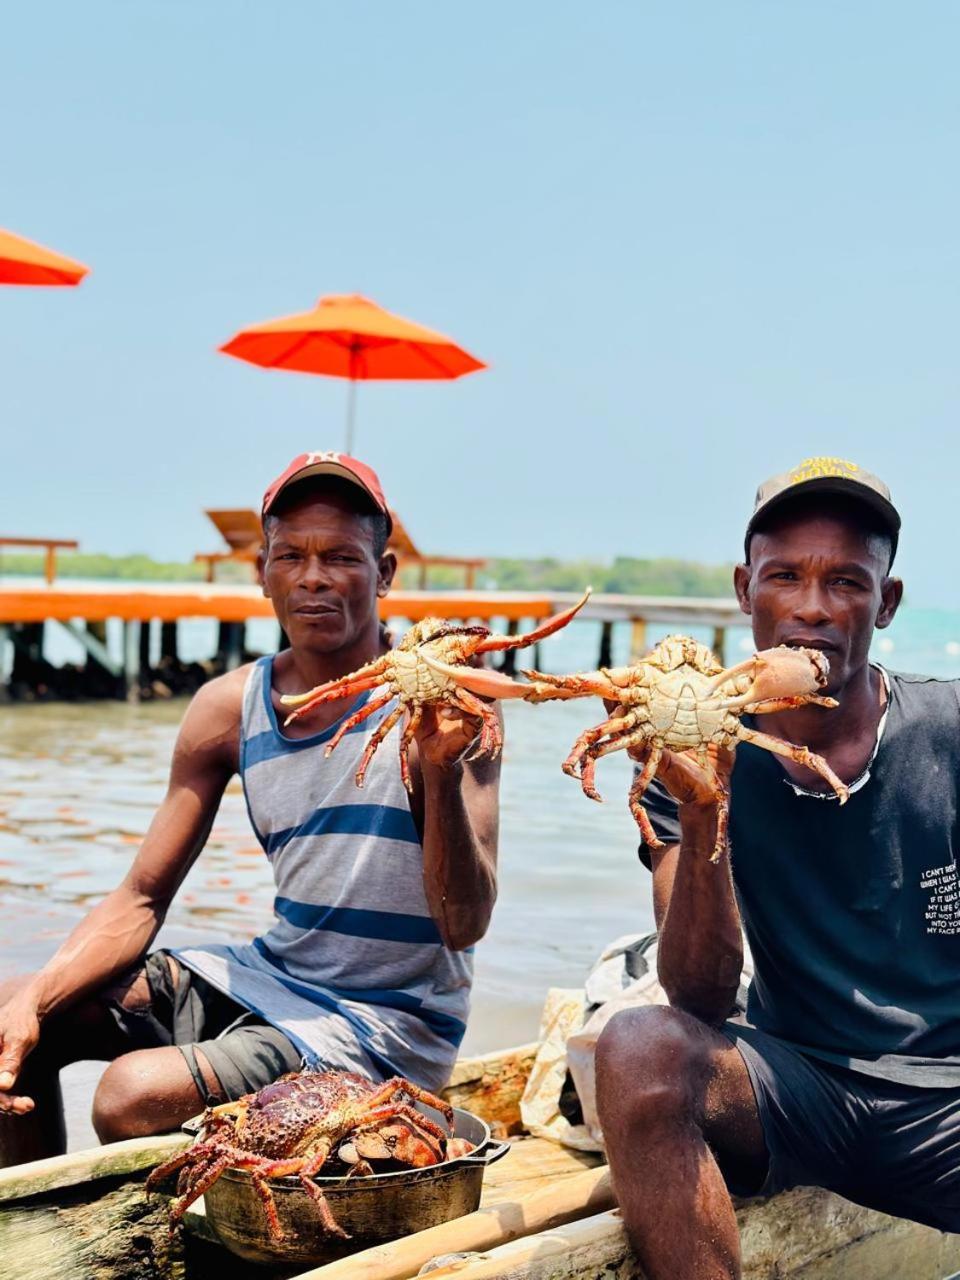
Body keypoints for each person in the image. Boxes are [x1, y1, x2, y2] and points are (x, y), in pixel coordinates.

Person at [0, 452, 500, 1164]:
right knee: (12, 1019)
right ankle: (32, 1238)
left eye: (342, 557)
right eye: (290, 555)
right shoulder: (227, 710)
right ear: (262, 573)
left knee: (129, 1095)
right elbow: (141, 897)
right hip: (274, 975)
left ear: (385, 574)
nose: (314, 576)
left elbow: (465, 923)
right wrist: (33, 1002)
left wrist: (439, 768)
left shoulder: (447, 701)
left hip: (384, 1027)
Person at [595, 457, 960, 1280]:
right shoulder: (684, 748)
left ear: (888, 602)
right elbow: (698, 997)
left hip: (949, 1100)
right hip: (798, 1090)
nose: (811, 608)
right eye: (784, 576)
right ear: (743, 589)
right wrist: (702, 807)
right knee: (639, 1046)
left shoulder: (951, 726)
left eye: (847, 581)